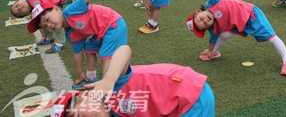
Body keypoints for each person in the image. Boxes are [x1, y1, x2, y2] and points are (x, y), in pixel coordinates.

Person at [51, 45, 215, 116]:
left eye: (78, 115)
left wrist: (109, 79)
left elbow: (124, 50)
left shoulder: (111, 89)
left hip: (191, 95)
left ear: (85, 96)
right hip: (173, 105)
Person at [27, 0, 127, 89]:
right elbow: (77, 54)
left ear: (56, 9)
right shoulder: (71, 34)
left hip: (112, 23)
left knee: (106, 55)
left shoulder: (70, 10)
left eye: (48, 19)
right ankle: (90, 78)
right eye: (45, 27)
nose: (49, 25)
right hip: (101, 31)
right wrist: (80, 74)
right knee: (89, 48)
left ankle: (108, 88)